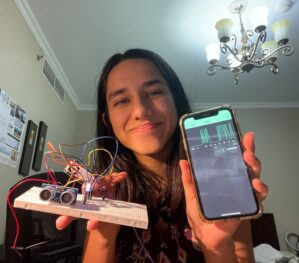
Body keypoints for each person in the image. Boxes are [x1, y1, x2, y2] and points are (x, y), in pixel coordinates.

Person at [56, 49, 268, 263]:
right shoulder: (105, 193)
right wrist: (103, 235)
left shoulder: (219, 184)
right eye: (121, 101)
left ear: (175, 100)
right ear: (107, 120)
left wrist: (216, 247)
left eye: (154, 92)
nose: (140, 110)